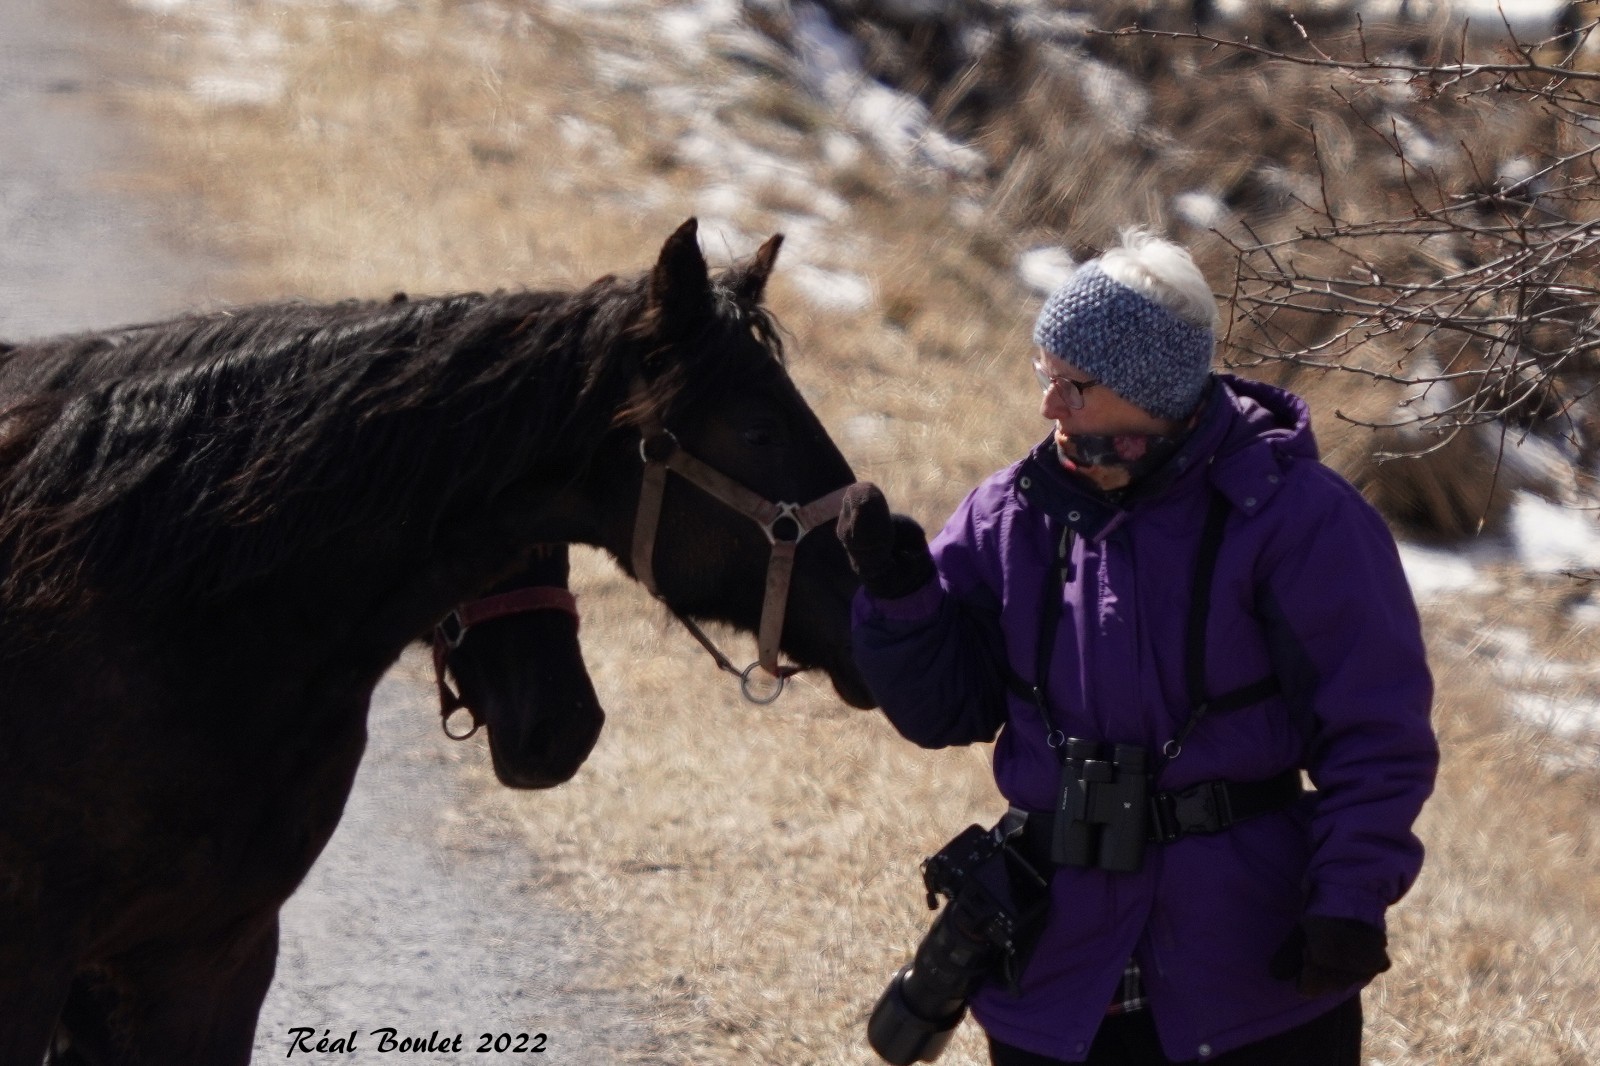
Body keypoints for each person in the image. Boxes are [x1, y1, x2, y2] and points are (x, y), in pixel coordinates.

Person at [837, 229, 1438, 1066]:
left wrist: (1349, 899)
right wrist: (901, 599)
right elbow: (944, 710)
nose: (1049, 408)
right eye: (1045, 378)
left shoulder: (1301, 519)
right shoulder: (1007, 514)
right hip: (1060, 975)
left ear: (1150, 391)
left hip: (1253, 973)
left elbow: (1376, 733)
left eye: (1073, 387)